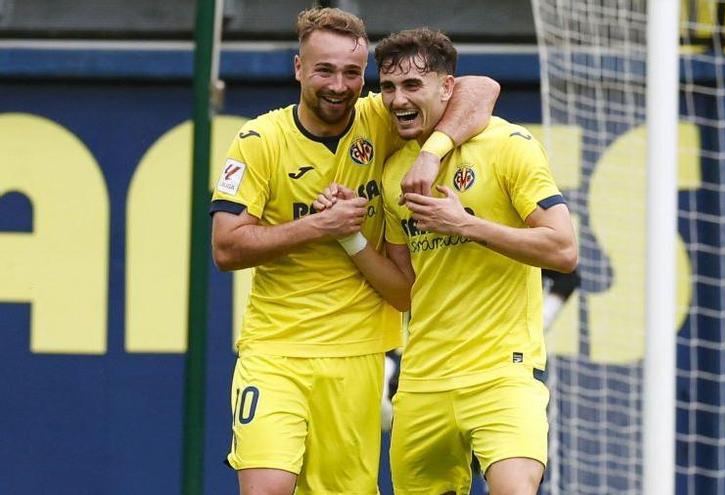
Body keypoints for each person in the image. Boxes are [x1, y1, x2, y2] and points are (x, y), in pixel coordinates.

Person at [210, 7, 498, 495]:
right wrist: (320, 225)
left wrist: (431, 152)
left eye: (351, 73)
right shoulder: (259, 139)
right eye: (324, 70)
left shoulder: (378, 116)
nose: (339, 85)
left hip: (358, 355)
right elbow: (227, 247)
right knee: (267, 487)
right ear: (299, 68)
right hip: (276, 350)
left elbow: (481, 87)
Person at [319, 27, 577, 494]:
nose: (398, 99)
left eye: (413, 86)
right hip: (421, 384)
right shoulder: (396, 171)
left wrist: (466, 224)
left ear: (447, 87)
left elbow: (562, 249)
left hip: (501, 374)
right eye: (390, 87)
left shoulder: (508, 146)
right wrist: (350, 237)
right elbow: (403, 290)